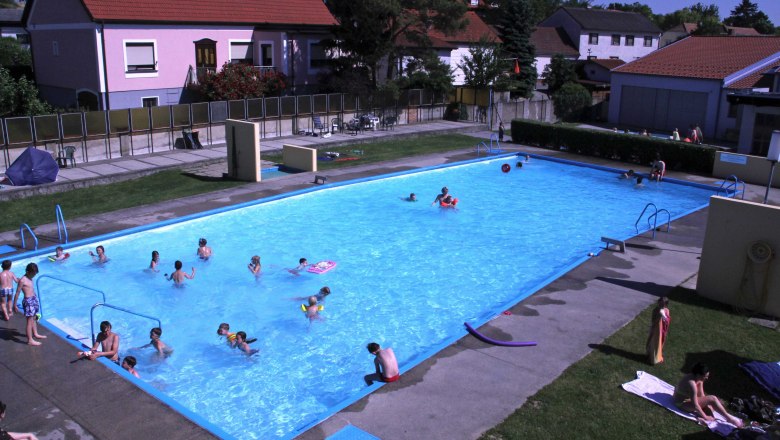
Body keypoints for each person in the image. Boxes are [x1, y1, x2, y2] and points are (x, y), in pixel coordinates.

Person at [673, 363, 744, 427]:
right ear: (699, 375)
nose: (707, 378)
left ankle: (704, 418)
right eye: (706, 376)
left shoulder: (698, 378)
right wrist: (705, 417)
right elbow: (695, 405)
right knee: (712, 399)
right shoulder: (691, 384)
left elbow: (701, 395)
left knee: (711, 405)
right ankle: (729, 419)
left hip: (688, 400)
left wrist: (708, 404)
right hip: (681, 404)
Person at [12, 263, 45, 346]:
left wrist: (35, 298)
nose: (34, 275)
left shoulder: (30, 278)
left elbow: (31, 289)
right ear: (27, 272)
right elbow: (17, 293)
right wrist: (14, 305)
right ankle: (30, 340)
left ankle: (35, 333)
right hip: (28, 301)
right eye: (33, 274)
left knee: (34, 318)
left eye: (35, 274)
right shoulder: (22, 280)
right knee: (29, 321)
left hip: (33, 299)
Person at [646, 297, 670, 365]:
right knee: (653, 343)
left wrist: (664, 316)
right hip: (655, 330)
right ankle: (652, 358)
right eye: (660, 304)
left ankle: (656, 358)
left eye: (662, 304)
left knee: (659, 344)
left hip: (661, 331)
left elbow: (667, 321)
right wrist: (659, 316)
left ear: (665, 305)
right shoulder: (655, 310)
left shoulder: (666, 310)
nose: (661, 305)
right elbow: (653, 321)